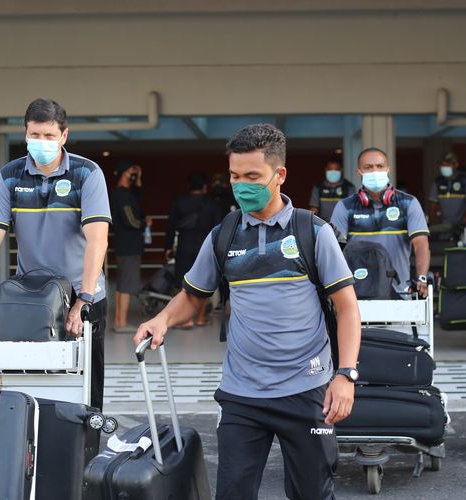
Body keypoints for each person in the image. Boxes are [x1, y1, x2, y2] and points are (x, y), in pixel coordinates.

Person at [135, 124, 361, 500]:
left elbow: (347, 307)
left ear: (279, 175)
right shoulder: (224, 234)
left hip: (307, 391)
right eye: (235, 176)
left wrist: (346, 374)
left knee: (313, 494)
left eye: (253, 176)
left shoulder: (312, 232)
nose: (242, 185)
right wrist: (162, 319)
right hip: (242, 394)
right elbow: (193, 295)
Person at [0, 98, 111, 410]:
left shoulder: (86, 174)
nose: (42, 142)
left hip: (82, 295)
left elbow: (98, 240)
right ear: (25, 134)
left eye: (49, 136)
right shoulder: (9, 176)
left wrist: (83, 301)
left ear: (63, 136)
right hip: (32, 300)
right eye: (35, 135)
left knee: (86, 390)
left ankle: (85, 449)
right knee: (35, 384)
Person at [331, 147, 430, 297]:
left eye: (380, 166)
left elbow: (421, 244)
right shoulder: (345, 207)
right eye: (368, 167)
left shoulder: (408, 203)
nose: (375, 171)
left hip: (400, 292)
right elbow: (334, 250)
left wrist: (422, 277)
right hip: (357, 294)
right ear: (359, 172)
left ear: (388, 169)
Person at [164, 171, 222, 328]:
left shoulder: (179, 202)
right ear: (204, 186)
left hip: (184, 247)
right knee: (204, 284)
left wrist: (168, 246)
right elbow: (218, 228)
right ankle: (201, 318)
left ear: (189, 186)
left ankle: (185, 320)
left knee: (181, 284)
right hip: (205, 249)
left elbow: (171, 227)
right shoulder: (212, 205)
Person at [111, 160, 150, 333]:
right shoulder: (122, 195)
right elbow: (131, 220)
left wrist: (139, 177)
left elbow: (138, 197)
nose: (134, 175)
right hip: (129, 245)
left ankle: (119, 321)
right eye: (131, 172)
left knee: (121, 284)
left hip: (122, 244)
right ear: (124, 173)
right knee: (127, 283)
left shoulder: (125, 194)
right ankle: (121, 323)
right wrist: (144, 223)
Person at [427, 152, 466, 226]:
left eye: (447, 165)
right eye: (442, 165)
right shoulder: (438, 182)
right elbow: (432, 206)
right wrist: (432, 225)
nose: (444, 167)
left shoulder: (465, 180)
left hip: (461, 226)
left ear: (456, 165)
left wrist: (463, 223)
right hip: (442, 227)